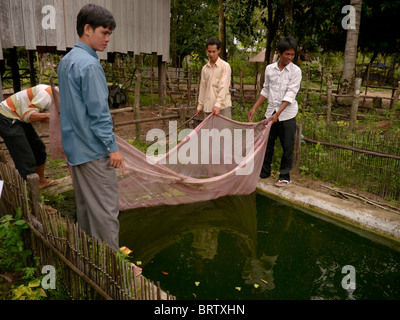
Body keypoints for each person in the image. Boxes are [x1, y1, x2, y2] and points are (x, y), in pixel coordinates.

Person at [57, 4, 125, 251]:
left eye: (109, 34)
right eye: (104, 33)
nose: (107, 39)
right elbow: (99, 114)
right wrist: (112, 147)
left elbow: (69, 110)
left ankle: (90, 260)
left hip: (76, 150)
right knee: (106, 213)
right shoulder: (89, 65)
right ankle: (112, 271)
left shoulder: (66, 62)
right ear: (87, 29)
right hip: (95, 151)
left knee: (86, 210)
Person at [248, 36, 302, 187]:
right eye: (287, 54)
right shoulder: (269, 69)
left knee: (287, 147)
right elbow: (265, 90)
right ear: (279, 52)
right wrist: (254, 107)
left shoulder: (296, 71)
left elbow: (290, 94)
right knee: (267, 145)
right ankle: (264, 172)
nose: (290, 57)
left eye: (292, 54)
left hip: (287, 115)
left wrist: (277, 114)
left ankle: (284, 176)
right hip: (270, 114)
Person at [0, 85, 59, 189]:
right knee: (24, 156)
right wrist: (49, 116)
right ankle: (32, 192)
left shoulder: (58, 95)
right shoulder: (46, 94)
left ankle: (41, 181)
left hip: (19, 117)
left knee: (39, 148)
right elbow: (28, 115)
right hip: (6, 116)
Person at [196, 38, 232, 119]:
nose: (211, 54)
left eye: (214, 51)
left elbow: (223, 87)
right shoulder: (205, 68)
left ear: (219, 50)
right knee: (208, 132)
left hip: (222, 107)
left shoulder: (225, 66)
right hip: (208, 107)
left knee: (225, 131)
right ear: (206, 50)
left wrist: (218, 104)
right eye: (209, 51)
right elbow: (203, 88)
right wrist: (200, 105)